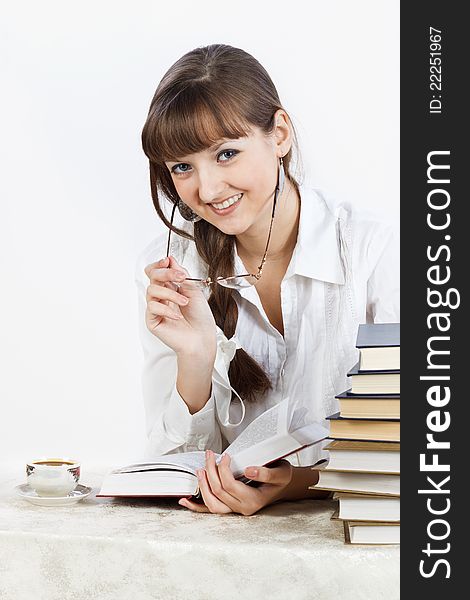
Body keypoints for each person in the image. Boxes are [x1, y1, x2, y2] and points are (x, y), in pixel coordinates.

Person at [135, 44, 399, 515]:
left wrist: (303, 482)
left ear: (279, 135)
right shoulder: (174, 268)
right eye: (182, 167)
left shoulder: (374, 252)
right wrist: (195, 356)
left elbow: (423, 446)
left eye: (227, 154)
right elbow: (171, 469)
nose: (208, 190)